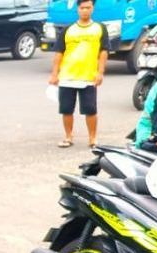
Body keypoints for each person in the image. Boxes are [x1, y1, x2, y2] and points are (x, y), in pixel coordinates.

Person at [49, 0, 109, 149]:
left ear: (93, 8)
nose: (85, 11)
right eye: (82, 8)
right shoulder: (68, 29)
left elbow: (104, 52)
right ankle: (68, 137)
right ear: (78, 9)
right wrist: (54, 74)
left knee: (90, 110)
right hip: (67, 76)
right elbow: (59, 53)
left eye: (88, 8)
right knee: (66, 109)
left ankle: (93, 139)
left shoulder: (100, 28)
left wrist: (100, 72)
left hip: (88, 77)